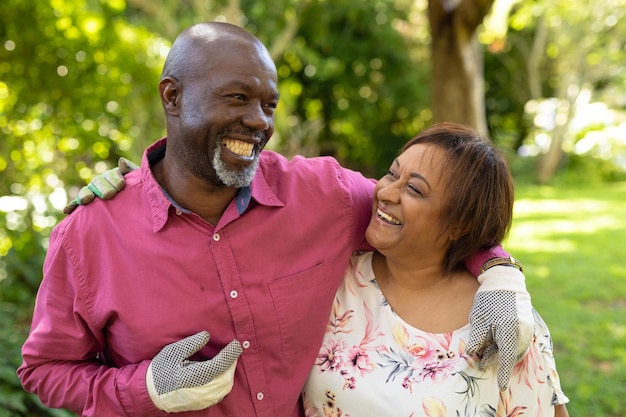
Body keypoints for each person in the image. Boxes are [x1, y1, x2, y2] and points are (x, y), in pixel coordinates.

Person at [18, 22, 533, 417]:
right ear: (172, 96)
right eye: (238, 98)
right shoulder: (91, 233)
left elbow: (430, 217)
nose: (258, 121)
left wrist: (498, 271)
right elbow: (44, 370)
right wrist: (144, 389)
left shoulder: (322, 195)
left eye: (268, 104)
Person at [301, 122, 570, 417]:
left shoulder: (505, 317)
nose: (386, 192)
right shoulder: (334, 278)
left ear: (461, 224)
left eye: (414, 189)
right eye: (392, 173)